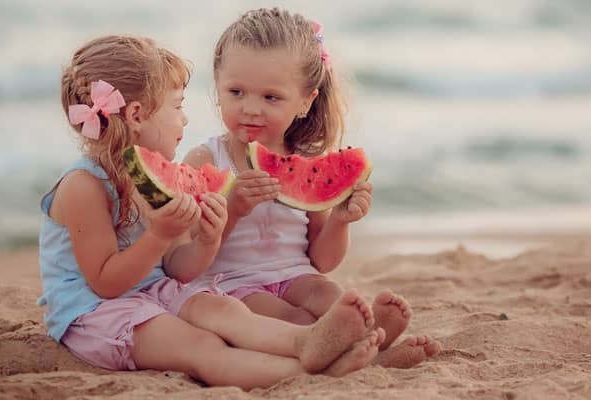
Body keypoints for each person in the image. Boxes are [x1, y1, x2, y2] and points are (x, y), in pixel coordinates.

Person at [38, 35, 380, 390]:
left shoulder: (152, 177)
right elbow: (106, 283)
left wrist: (208, 237)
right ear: (137, 115)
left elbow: (179, 268)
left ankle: (305, 341)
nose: (185, 120)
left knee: (225, 311)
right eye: (177, 106)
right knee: (203, 346)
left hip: (155, 290)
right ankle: (313, 374)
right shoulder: (83, 187)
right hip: (95, 312)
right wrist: (159, 235)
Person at [182, 8, 440, 368]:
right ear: (217, 87)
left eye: (271, 97)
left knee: (333, 295)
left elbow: (322, 260)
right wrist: (234, 208)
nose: (251, 109)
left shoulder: (309, 165)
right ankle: (365, 356)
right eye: (236, 92)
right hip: (233, 285)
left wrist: (340, 220)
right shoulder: (205, 159)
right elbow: (187, 257)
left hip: (297, 275)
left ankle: (365, 343)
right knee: (298, 321)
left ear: (305, 101)